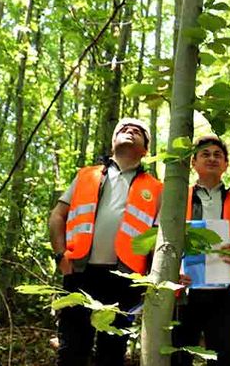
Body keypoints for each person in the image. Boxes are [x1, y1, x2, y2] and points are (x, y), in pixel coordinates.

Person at [49, 118, 162, 366]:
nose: (130, 131)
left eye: (138, 131)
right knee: (72, 350)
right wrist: (60, 255)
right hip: (80, 272)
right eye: (123, 129)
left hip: (125, 280)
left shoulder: (156, 188)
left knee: (111, 353)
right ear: (113, 142)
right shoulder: (86, 176)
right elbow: (58, 216)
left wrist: (151, 279)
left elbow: (159, 238)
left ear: (146, 149)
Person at [172, 135, 230, 366]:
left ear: (226, 164)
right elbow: (162, 243)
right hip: (184, 290)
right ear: (193, 162)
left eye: (217, 155)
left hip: (227, 293)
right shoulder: (177, 198)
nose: (211, 158)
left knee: (225, 357)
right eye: (205, 154)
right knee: (178, 354)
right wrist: (170, 273)